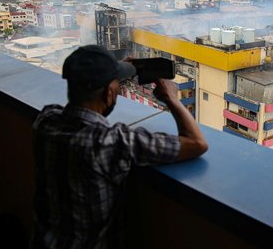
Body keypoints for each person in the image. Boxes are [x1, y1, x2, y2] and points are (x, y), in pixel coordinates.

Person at [31, 45, 208, 249]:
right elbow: (197, 143)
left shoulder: (45, 121)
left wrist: (125, 70)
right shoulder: (111, 142)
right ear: (109, 93)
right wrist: (171, 98)